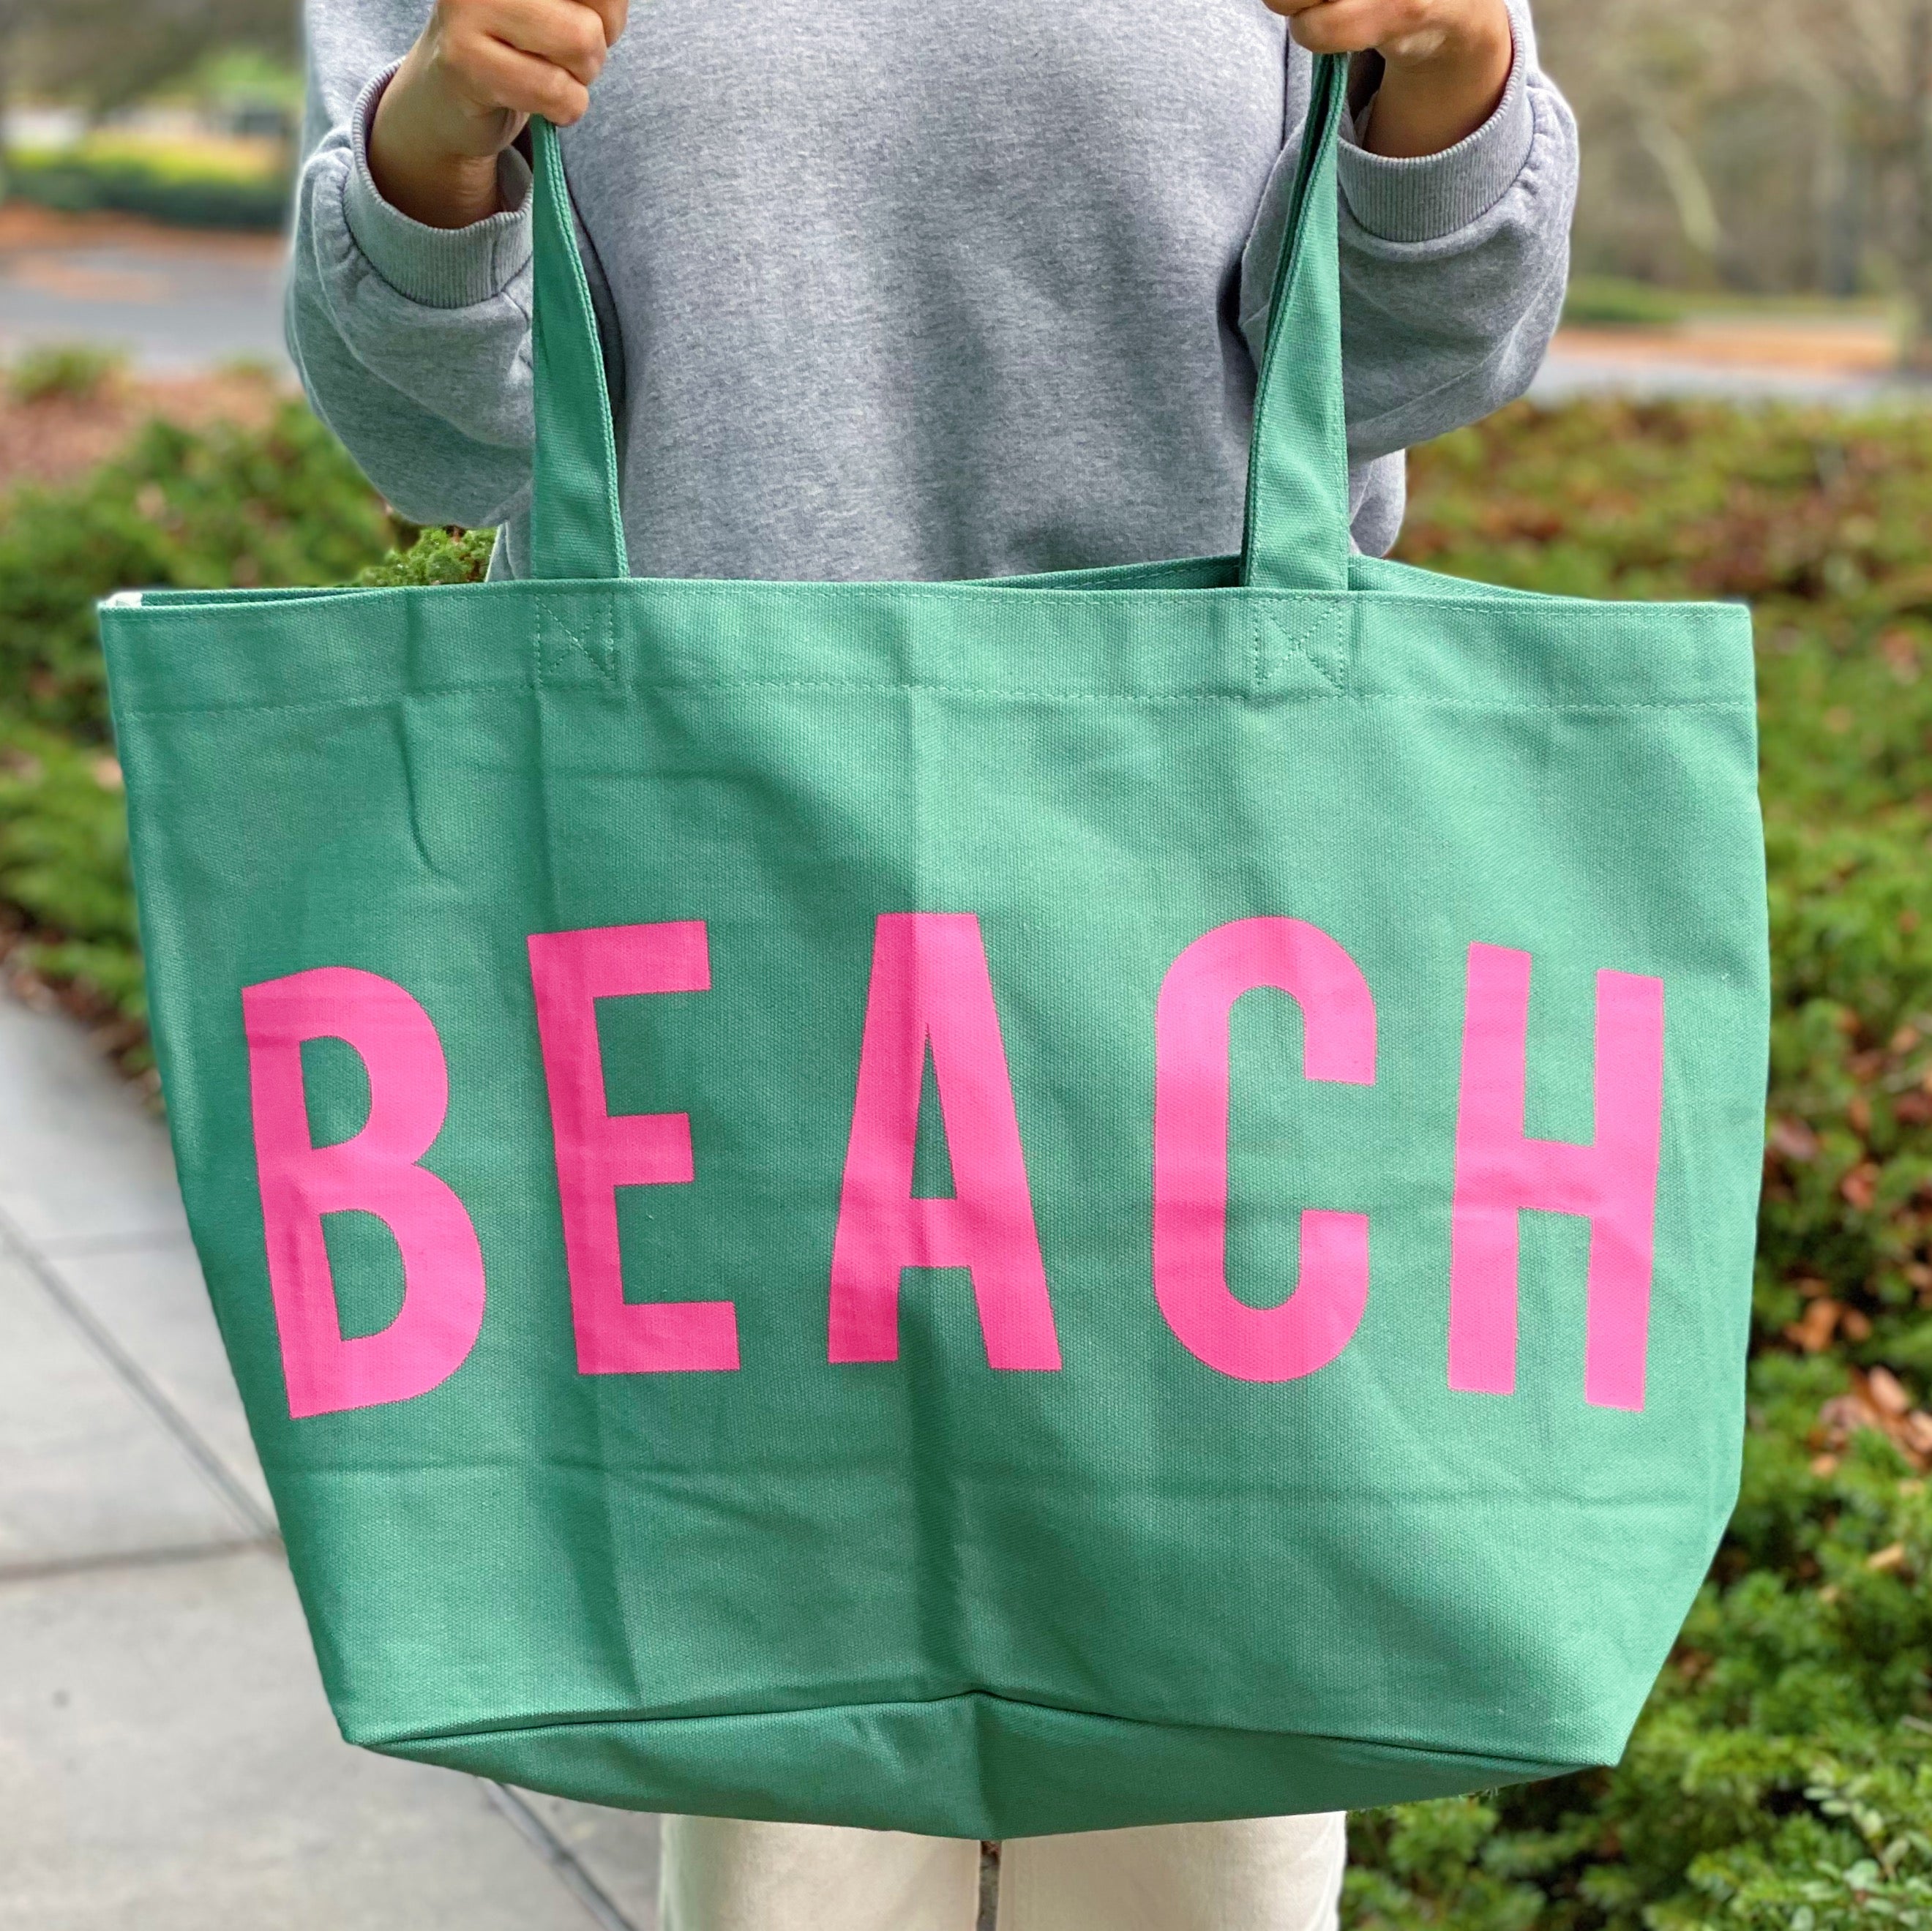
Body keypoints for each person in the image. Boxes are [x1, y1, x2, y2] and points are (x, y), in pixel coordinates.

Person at [288, 1, 1577, 1924]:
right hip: (723, 965)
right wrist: (441, 136)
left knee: (1201, 1850)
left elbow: (1416, 357)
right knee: (793, 1852)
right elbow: (446, 440)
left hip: (1204, 972)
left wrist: (1454, 72)